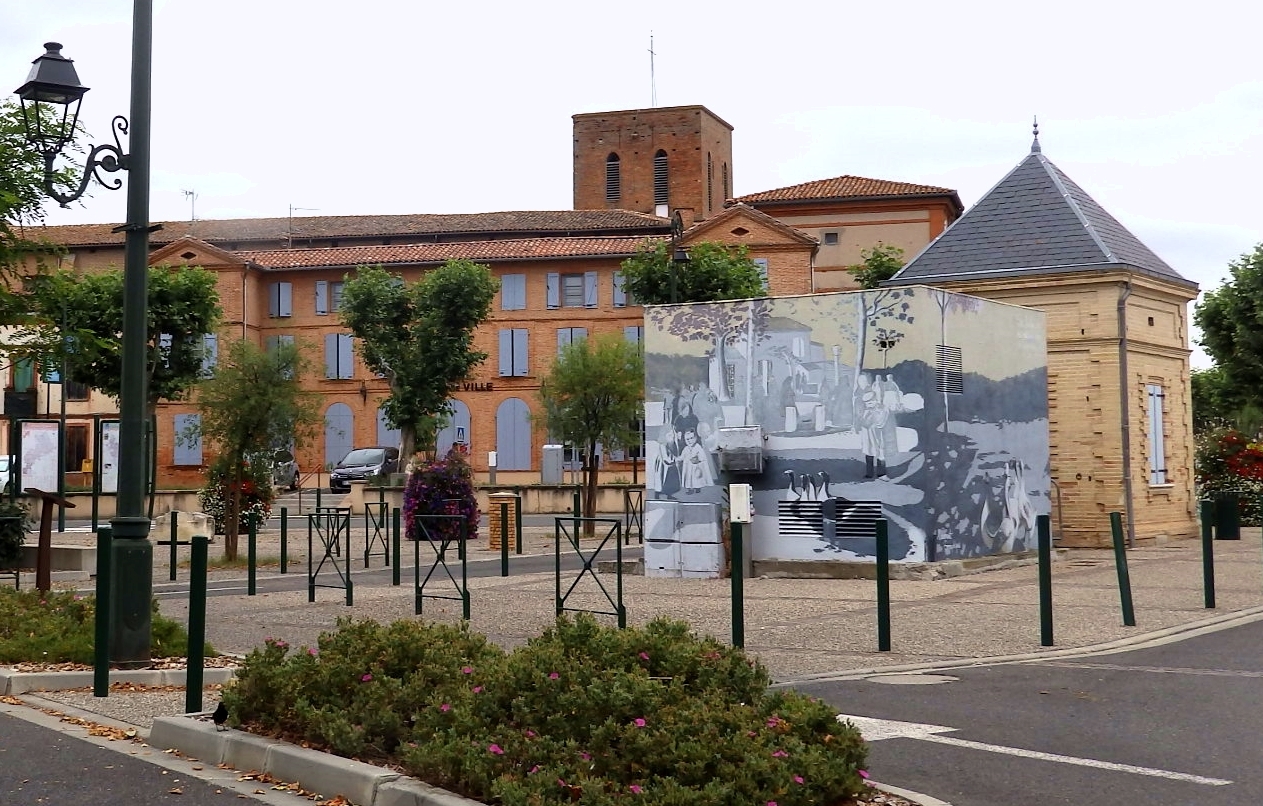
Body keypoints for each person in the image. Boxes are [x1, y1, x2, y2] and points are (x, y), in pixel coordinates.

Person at [677, 428, 714, 494]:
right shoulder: (686, 448)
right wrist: (677, 459)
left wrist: (698, 458)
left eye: (691, 438)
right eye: (687, 439)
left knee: (696, 478)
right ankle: (690, 489)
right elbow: (682, 456)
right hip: (688, 467)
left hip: (696, 466)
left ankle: (697, 487)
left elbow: (702, 456)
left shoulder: (698, 447)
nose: (689, 441)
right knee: (689, 478)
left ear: (695, 438)